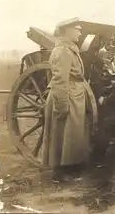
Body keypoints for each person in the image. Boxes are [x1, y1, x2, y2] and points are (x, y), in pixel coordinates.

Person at [42, 19, 91, 183]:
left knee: (71, 134)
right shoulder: (62, 51)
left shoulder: (69, 49)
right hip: (66, 96)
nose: (80, 33)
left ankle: (68, 168)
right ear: (67, 31)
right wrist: (61, 106)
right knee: (61, 133)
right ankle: (59, 173)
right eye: (77, 30)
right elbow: (60, 80)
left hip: (74, 95)